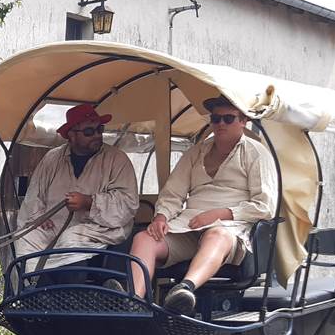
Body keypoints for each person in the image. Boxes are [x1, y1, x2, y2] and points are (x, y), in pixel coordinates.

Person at [129, 96, 278, 313]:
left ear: (243, 121)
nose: (221, 124)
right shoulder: (196, 152)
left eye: (228, 118)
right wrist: (161, 217)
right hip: (188, 225)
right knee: (144, 238)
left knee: (216, 235)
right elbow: (173, 193)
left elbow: (265, 206)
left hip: (230, 229)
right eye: (216, 119)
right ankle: (132, 301)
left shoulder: (256, 153)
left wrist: (221, 214)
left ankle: (183, 291)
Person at [14, 104, 139, 281]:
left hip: (99, 229)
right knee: (26, 237)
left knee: (70, 240)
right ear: (71, 135)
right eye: (89, 132)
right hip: (53, 227)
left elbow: (128, 203)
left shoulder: (117, 160)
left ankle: (71, 293)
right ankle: (35, 289)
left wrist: (89, 202)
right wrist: (40, 216)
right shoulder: (52, 158)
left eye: (99, 129)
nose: (97, 135)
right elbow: (34, 195)